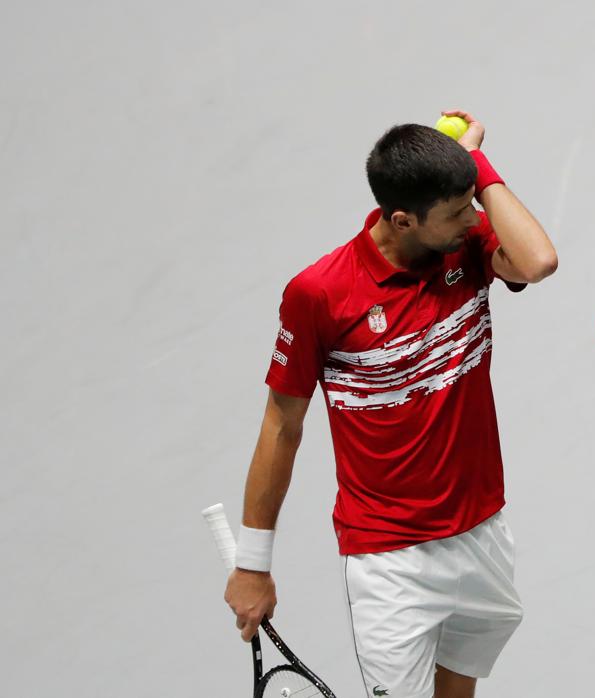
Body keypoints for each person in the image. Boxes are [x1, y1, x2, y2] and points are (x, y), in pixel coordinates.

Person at [223, 111, 557, 698]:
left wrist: (475, 165)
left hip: (482, 529)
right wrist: (253, 563)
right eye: (457, 212)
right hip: (390, 556)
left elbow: (537, 261)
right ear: (402, 220)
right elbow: (282, 425)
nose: (473, 219)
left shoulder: (467, 246)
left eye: (472, 204)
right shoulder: (320, 294)